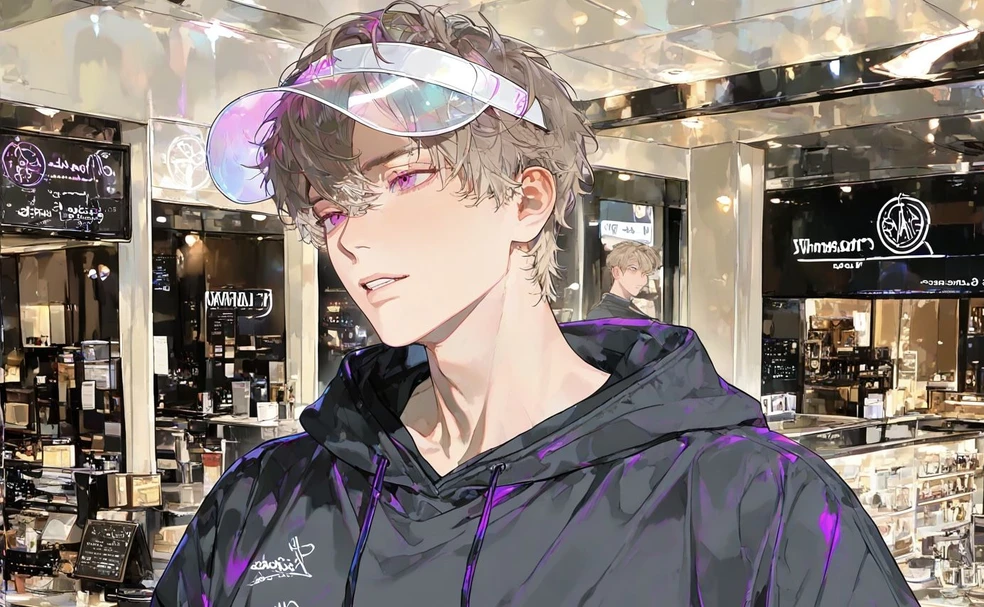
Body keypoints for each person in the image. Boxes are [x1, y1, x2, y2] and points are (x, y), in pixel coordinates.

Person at [153, 3, 919, 606]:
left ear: (526, 200)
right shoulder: (266, 500)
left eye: (404, 178)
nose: (353, 237)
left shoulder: (754, 507)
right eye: (330, 209)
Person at [586, 240, 659, 320]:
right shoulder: (602, 314)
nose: (642, 280)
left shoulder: (632, 308)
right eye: (633, 269)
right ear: (616, 272)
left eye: (646, 273)